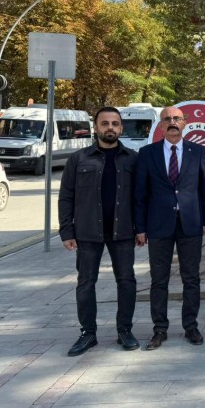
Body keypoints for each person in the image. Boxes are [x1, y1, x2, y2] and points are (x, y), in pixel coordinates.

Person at [58, 106, 139, 356]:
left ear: (121, 128)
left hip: (123, 231)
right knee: (85, 283)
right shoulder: (79, 159)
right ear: (96, 127)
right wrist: (66, 231)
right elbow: (66, 197)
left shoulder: (132, 159)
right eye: (105, 123)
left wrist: (141, 228)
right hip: (87, 232)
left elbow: (140, 197)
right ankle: (88, 333)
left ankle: (124, 330)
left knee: (126, 282)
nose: (110, 128)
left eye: (115, 123)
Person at [134, 105, 205, 350]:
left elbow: (204, 189)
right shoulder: (147, 153)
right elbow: (140, 193)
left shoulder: (198, 152)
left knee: (191, 278)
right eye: (167, 118)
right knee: (159, 280)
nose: (172, 122)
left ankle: (191, 327)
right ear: (161, 124)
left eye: (176, 118)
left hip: (190, 223)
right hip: (158, 225)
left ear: (184, 122)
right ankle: (159, 329)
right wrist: (140, 227)